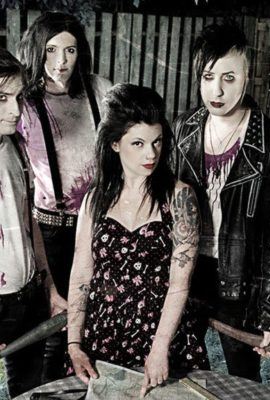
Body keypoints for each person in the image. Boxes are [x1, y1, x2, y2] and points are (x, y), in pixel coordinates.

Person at [67, 84, 208, 397]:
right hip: (102, 336)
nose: (151, 154)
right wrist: (74, 343)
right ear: (115, 144)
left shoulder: (179, 198)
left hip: (161, 338)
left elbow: (180, 284)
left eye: (157, 141)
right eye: (138, 143)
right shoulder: (95, 199)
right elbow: (81, 274)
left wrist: (159, 349)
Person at [172, 22, 270, 382]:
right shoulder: (183, 129)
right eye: (208, 77)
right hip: (188, 271)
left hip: (239, 279)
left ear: (247, 76)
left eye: (229, 77)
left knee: (241, 376)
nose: (218, 90)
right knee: (180, 371)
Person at [17, 11, 112, 381]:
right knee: (54, 324)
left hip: (96, 223)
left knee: (91, 320)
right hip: (50, 229)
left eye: (70, 50)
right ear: (37, 51)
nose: (61, 62)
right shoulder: (24, 103)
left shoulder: (99, 91)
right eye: (51, 50)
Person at [0, 48, 66, 398]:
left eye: (17, 97)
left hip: (26, 293)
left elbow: (30, 223)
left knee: (28, 390)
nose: (15, 110)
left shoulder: (14, 146)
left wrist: (49, 288)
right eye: (2, 98)